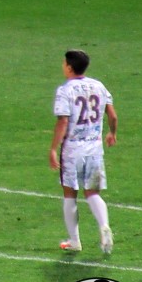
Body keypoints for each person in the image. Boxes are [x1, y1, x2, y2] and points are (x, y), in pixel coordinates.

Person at [49, 49, 117, 254]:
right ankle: (104, 227)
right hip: (94, 148)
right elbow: (112, 116)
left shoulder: (65, 90)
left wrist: (53, 148)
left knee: (70, 194)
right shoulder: (99, 86)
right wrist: (112, 133)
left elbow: (63, 121)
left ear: (69, 67)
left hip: (72, 149)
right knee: (93, 192)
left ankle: (74, 241)